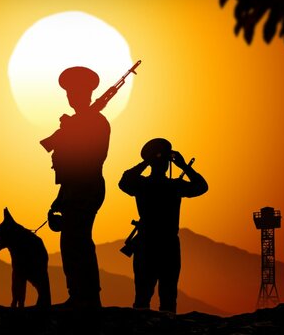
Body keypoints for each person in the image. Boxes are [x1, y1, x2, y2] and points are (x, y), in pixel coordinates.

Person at [43, 66, 110, 308]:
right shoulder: (76, 124)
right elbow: (68, 167)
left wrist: (73, 133)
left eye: (76, 94)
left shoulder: (96, 123)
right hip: (74, 187)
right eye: (70, 94)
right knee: (70, 243)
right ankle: (78, 294)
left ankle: (88, 296)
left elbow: (91, 160)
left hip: (87, 187)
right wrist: (59, 199)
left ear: (88, 95)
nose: (72, 98)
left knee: (79, 241)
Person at [118, 138, 208, 313]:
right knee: (167, 298)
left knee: (143, 297)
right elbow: (201, 186)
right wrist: (184, 166)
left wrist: (147, 161)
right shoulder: (174, 186)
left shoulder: (142, 184)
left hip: (147, 244)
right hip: (167, 245)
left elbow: (124, 181)